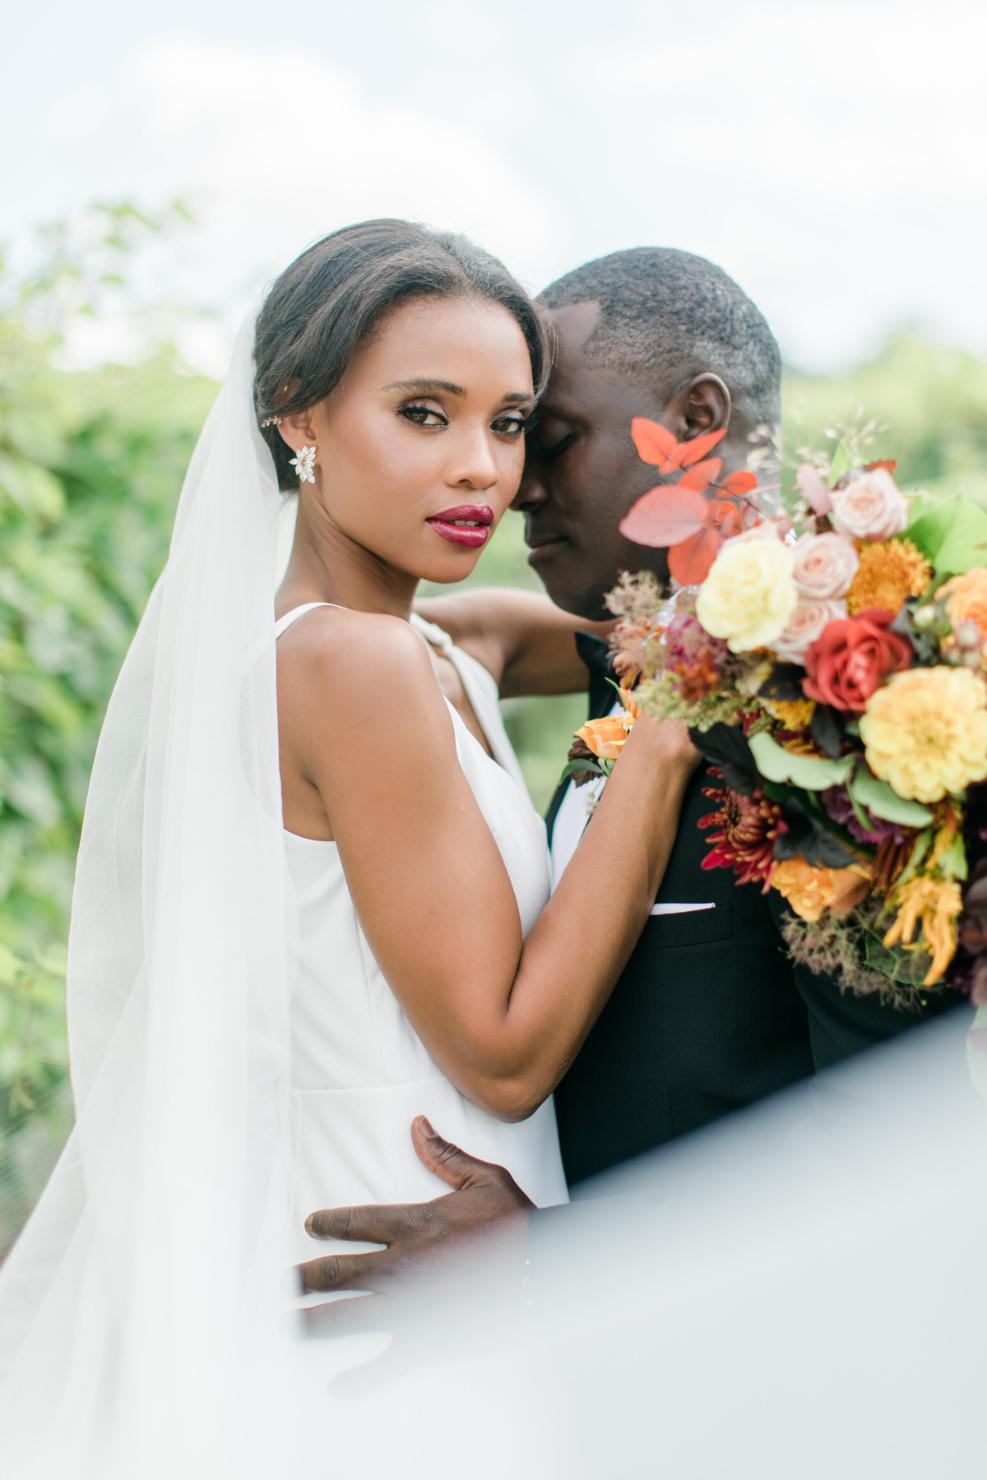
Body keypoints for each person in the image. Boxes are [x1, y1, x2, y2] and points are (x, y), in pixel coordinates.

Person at [0, 221, 700, 1475]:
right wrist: (659, 747)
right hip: (397, 1268)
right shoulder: (351, 662)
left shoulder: (432, 642)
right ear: (297, 418)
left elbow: (620, 623)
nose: (481, 470)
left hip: (405, 1247)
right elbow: (501, 1052)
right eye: (423, 414)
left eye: (510, 423)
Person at [298, 247, 965, 1308]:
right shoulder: (640, 665)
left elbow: (908, 1132)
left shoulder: (845, 727)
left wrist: (562, 1257)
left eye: (542, 435)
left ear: (698, 420)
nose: (514, 482)